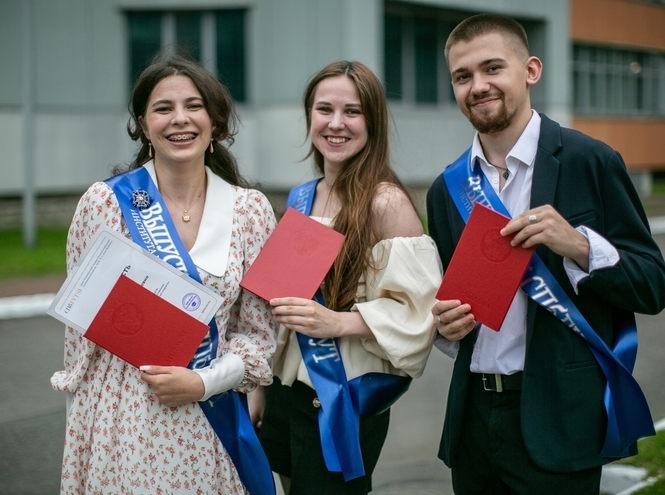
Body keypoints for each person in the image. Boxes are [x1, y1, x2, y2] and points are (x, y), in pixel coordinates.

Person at [427, 13, 665, 495]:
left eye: (493, 68)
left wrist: (578, 245)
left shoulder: (590, 161)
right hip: (474, 421)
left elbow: (652, 284)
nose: (478, 85)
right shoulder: (445, 189)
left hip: (560, 423)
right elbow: (455, 306)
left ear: (530, 70)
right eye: (462, 76)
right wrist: (444, 327)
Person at [50, 54, 277, 494]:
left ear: (215, 120)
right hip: (125, 417)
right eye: (162, 108)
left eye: (193, 106)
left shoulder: (250, 211)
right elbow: (82, 333)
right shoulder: (105, 204)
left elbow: (259, 333)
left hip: (209, 415)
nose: (180, 119)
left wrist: (203, 381)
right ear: (143, 123)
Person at [250, 60, 442, 495]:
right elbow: (281, 306)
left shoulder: (385, 201)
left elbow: (419, 311)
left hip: (341, 396)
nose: (336, 124)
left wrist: (336, 323)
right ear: (309, 117)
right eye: (324, 110)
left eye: (352, 111)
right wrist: (261, 386)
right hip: (286, 392)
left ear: (372, 121)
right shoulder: (303, 195)